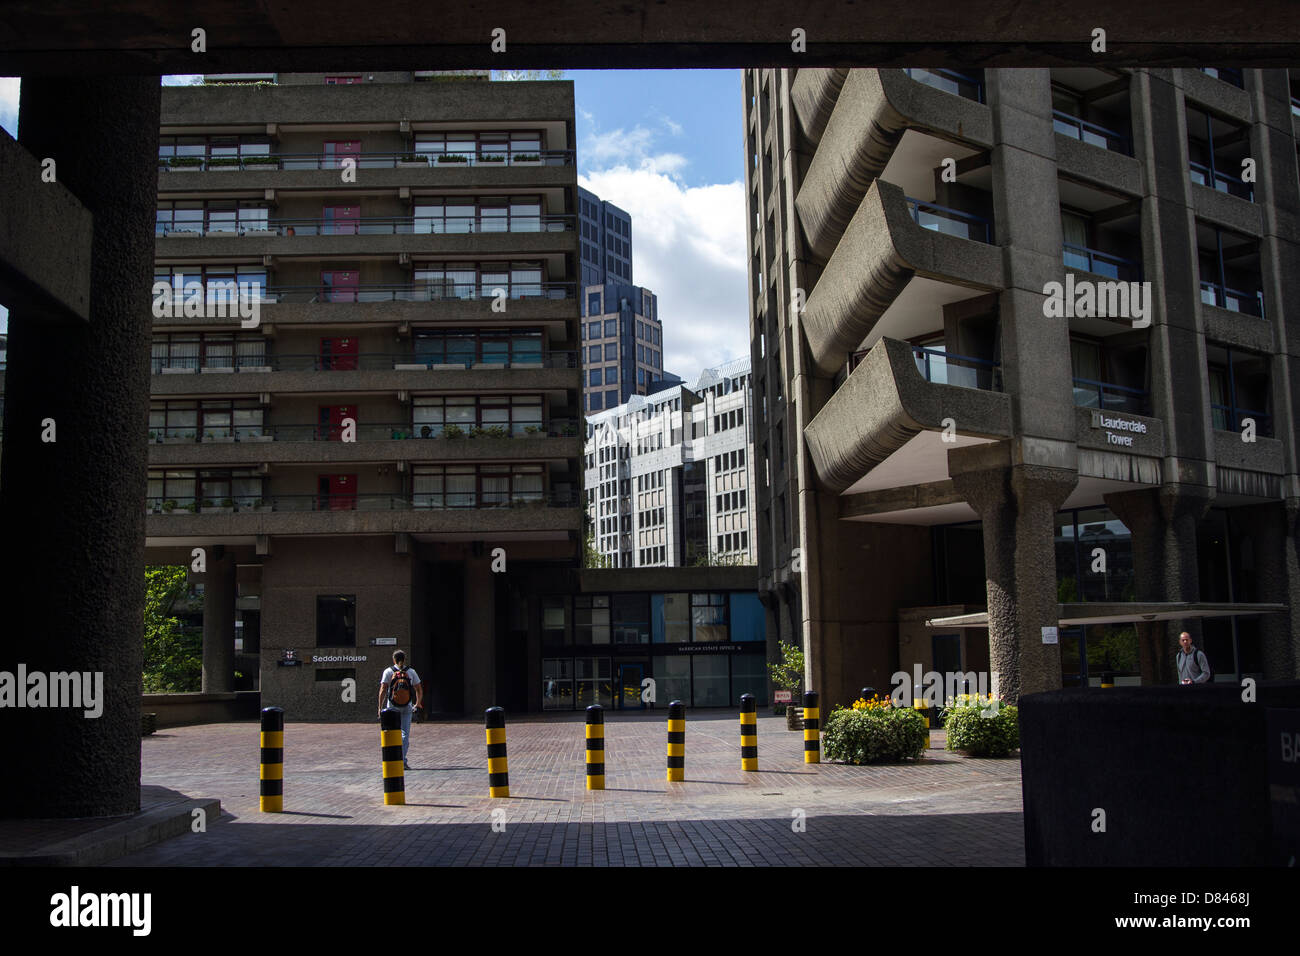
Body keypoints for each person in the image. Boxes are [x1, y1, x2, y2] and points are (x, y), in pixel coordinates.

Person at [378, 650, 423, 768]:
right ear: (404, 659)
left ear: (394, 659)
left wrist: (379, 707)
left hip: (392, 706)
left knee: (392, 734)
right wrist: (418, 703)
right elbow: (418, 689)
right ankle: (402, 761)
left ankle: (393, 760)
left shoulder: (388, 671)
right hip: (407, 706)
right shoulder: (411, 672)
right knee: (404, 735)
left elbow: (383, 689)